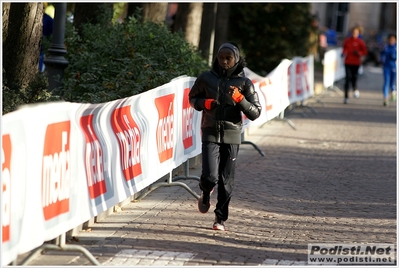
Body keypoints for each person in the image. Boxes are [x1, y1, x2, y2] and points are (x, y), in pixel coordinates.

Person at [188, 42, 262, 231]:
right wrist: (205, 104)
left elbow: (255, 112)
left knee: (226, 180)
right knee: (210, 176)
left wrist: (241, 100)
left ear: (236, 59)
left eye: (228, 58)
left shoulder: (244, 83)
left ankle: (220, 219)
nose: (224, 61)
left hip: (232, 135)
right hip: (210, 131)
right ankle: (205, 192)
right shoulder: (206, 78)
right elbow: (192, 98)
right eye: (221, 58)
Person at [342, 27, 368, 104]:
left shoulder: (360, 42)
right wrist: (343, 53)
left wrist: (359, 53)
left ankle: (355, 88)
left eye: (356, 33)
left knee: (354, 77)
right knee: (347, 78)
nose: (354, 34)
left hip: (356, 63)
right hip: (348, 62)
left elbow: (364, 51)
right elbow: (344, 49)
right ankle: (346, 97)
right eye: (353, 33)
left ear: (358, 34)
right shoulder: (347, 41)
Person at [380, 34, 397, 107]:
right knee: (386, 82)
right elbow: (381, 54)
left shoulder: (396, 48)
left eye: (392, 40)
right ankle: (385, 99)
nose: (391, 41)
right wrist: (381, 59)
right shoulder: (386, 47)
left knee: (391, 83)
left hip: (394, 67)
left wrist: (394, 57)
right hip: (386, 67)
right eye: (390, 40)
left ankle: (393, 92)